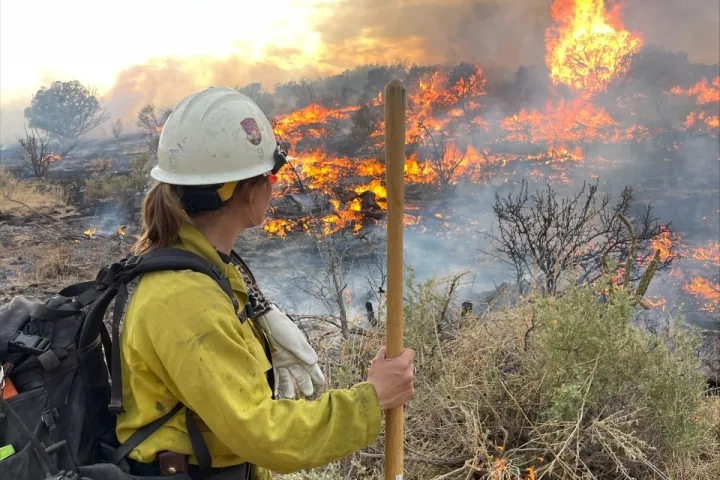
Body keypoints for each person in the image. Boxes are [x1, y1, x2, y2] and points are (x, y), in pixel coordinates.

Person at [115, 86, 416, 480]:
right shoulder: (183, 298)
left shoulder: (207, 268)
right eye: (271, 174)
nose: (274, 185)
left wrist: (258, 326)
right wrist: (372, 399)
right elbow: (265, 434)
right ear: (249, 190)